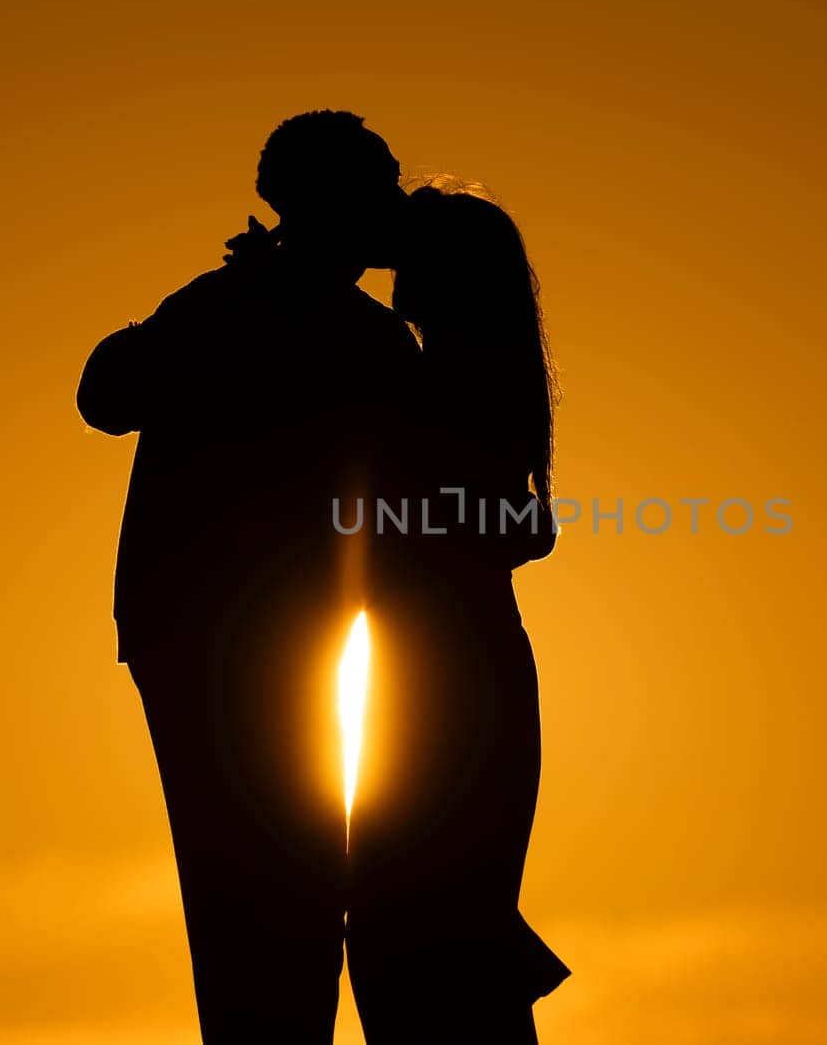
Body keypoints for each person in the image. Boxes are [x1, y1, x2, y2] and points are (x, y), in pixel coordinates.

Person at [76, 110, 417, 1044]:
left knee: (252, 873)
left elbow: (108, 391)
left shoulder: (243, 303)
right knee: (280, 872)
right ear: (331, 202)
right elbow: (104, 395)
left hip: (200, 627)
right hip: (241, 632)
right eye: (379, 186)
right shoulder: (356, 335)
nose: (396, 204)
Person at [347, 184, 570, 1044]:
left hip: (451, 675)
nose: (391, 270)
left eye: (410, 257)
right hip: (456, 666)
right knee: (435, 917)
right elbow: (524, 527)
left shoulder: (431, 383)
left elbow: (512, 526)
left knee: (417, 916)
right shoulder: (475, 383)